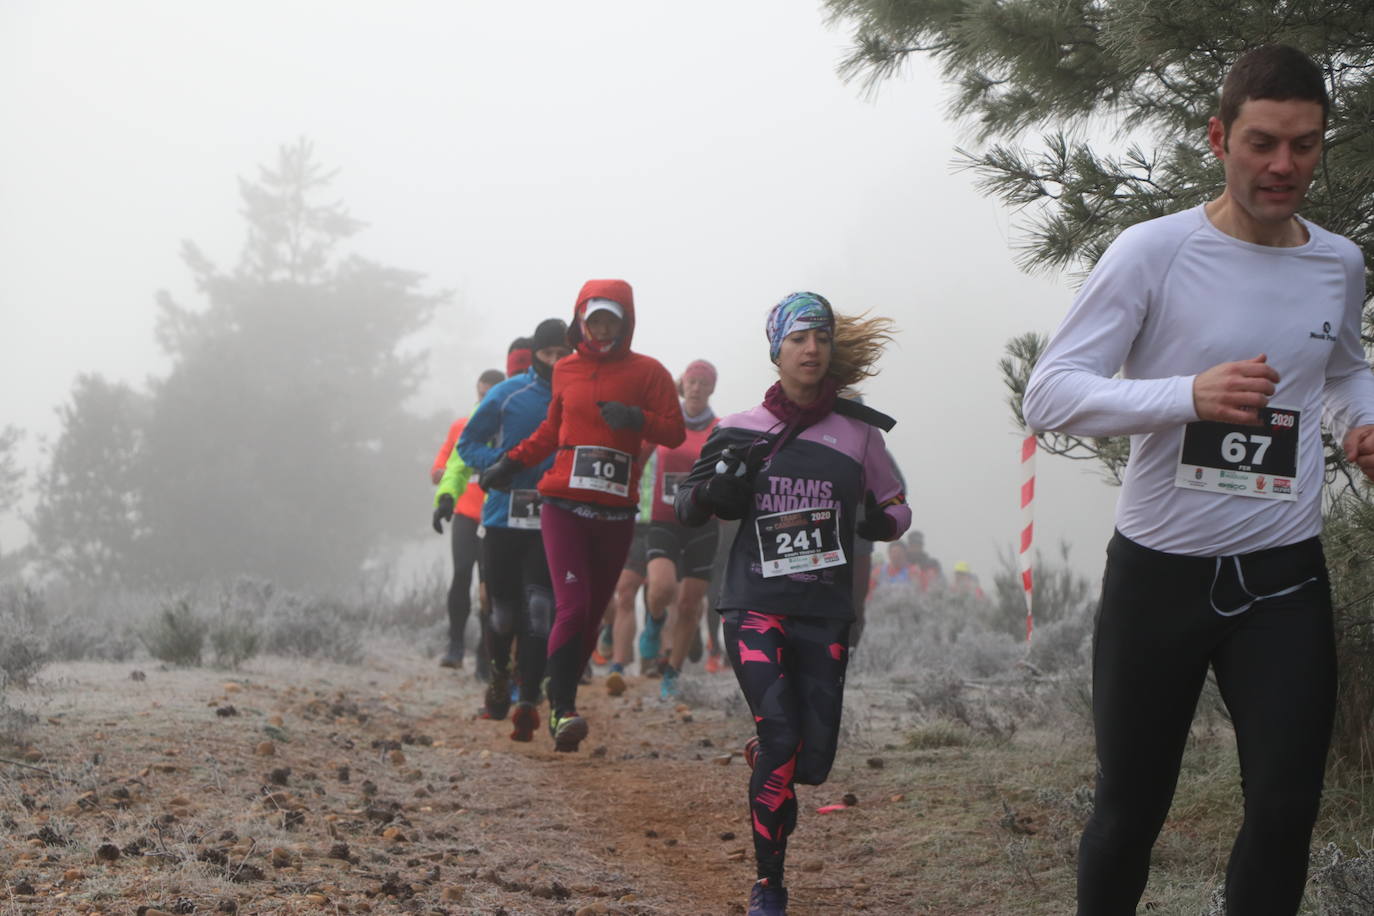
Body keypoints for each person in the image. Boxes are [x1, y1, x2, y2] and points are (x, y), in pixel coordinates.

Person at [1022, 45, 1374, 915]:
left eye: (1304, 145)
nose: (1283, 165)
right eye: (1261, 142)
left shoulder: (1338, 261)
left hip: (1283, 573)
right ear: (1218, 137)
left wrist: (1360, 418)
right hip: (1161, 575)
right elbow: (1050, 394)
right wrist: (1189, 396)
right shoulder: (1153, 252)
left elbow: (1340, 369)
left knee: (1287, 809)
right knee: (1129, 812)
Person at [675, 292, 908, 916]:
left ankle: (772, 755)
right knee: (781, 739)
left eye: (822, 339)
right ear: (776, 350)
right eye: (800, 338)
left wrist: (876, 523)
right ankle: (769, 886)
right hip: (753, 603)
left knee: (813, 761)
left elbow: (897, 506)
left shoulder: (860, 433)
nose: (811, 349)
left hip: (825, 610)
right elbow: (684, 507)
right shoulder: (740, 430)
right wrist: (717, 489)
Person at [481, 279, 685, 751]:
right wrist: (509, 463)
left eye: (612, 319)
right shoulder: (567, 370)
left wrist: (637, 419)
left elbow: (673, 431)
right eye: (595, 319)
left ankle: (555, 695)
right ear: (581, 320)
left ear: (626, 322)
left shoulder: (649, 372)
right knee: (569, 606)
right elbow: (552, 430)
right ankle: (563, 709)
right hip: (563, 506)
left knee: (592, 617)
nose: (603, 329)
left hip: (615, 513)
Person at [454, 319, 569, 740]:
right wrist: (499, 466)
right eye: (547, 354)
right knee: (503, 614)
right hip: (503, 515)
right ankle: (500, 679)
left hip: (552, 518)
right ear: (535, 355)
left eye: (562, 354)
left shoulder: (575, 395)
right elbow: (468, 445)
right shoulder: (507, 394)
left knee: (540, 609)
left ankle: (527, 696)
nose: (555, 362)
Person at [642, 359, 721, 701]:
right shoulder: (665, 422)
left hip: (703, 523)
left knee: (690, 605)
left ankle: (671, 674)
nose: (698, 387)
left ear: (712, 388)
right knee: (661, 589)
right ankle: (655, 621)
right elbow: (637, 455)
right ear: (683, 384)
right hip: (663, 517)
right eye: (693, 381)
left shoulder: (721, 428)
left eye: (704, 383)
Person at [430, 368, 505, 669]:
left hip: (496, 517)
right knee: (462, 573)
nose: (484, 400)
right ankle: (455, 645)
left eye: (490, 395)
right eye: (480, 394)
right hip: (465, 513)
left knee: (491, 587)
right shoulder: (462, 427)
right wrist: (443, 480)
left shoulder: (507, 428)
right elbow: (441, 465)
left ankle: (485, 653)